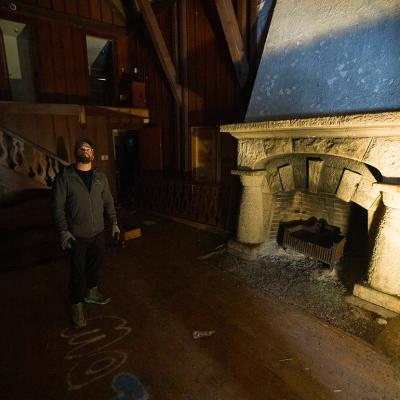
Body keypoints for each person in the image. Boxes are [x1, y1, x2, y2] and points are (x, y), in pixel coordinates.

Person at [52, 139, 120, 329]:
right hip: (77, 235)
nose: (85, 151)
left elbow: (108, 201)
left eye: (88, 148)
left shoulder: (100, 177)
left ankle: (91, 292)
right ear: (76, 153)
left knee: (95, 265)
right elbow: (57, 207)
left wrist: (114, 223)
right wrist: (64, 231)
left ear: (93, 154)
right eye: (81, 148)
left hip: (98, 232)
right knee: (77, 272)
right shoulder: (65, 177)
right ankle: (76, 305)